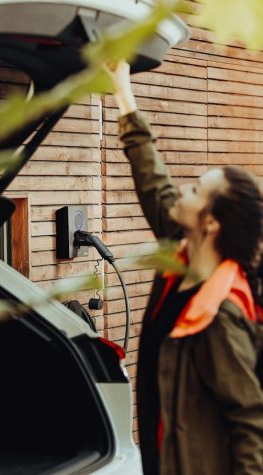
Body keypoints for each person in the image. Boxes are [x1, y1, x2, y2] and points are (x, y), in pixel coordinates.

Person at [106, 61, 263, 475]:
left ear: (210, 223)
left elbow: (251, 424)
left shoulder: (220, 315)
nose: (183, 190)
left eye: (195, 189)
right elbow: (153, 181)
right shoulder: (181, 256)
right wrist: (122, 90)